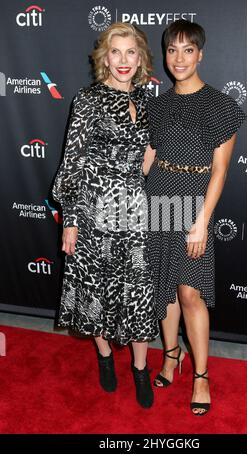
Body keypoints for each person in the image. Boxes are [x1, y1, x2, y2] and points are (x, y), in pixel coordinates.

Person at [52, 22, 158, 409]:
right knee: (96, 290)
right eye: (117, 52)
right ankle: (105, 357)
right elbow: (73, 163)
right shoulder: (88, 99)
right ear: (105, 58)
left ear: (141, 58)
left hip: (134, 210)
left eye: (132, 52)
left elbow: (147, 160)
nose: (124, 60)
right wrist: (72, 219)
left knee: (137, 291)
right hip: (95, 209)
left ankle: (141, 368)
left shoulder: (147, 100)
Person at [144, 20, 246, 415]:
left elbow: (220, 170)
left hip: (193, 202)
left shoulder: (221, 106)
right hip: (158, 196)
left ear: (200, 54)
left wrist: (202, 220)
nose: (180, 58)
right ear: (165, 55)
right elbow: (150, 155)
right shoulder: (157, 104)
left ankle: (200, 375)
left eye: (188, 50)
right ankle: (171, 356)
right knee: (162, 288)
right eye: (173, 50)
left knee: (189, 292)